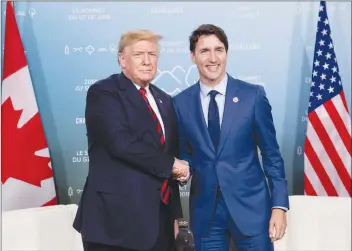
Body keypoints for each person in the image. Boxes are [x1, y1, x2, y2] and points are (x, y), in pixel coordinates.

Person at [173, 24, 289, 251]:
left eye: (219, 50)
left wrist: (279, 206)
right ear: (193, 56)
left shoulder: (253, 96)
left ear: (227, 53)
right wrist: (182, 169)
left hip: (252, 211)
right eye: (204, 51)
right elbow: (185, 155)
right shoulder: (180, 103)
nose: (213, 58)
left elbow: (272, 155)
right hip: (206, 216)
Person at [73, 29, 190, 251]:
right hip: (115, 225)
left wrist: (174, 215)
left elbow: (168, 153)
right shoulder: (104, 92)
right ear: (122, 60)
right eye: (138, 55)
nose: (147, 61)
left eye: (152, 55)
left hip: (160, 224)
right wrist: (173, 165)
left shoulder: (164, 100)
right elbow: (121, 143)